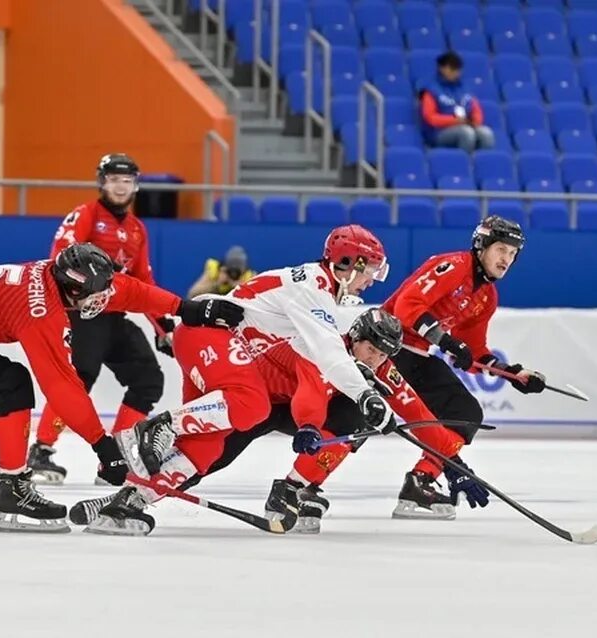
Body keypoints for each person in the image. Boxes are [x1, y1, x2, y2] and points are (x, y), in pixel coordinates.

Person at [0, 243, 243, 532]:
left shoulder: (69, 280)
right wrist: (103, 447)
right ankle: (13, 488)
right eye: (97, 294)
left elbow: (126, 290)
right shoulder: (40, 312)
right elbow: (61, 386)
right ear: (73, 291)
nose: (104, 300)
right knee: (11, 384)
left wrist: (185, 308)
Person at [83, 225, 399, 536]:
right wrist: (364, 396)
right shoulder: (314, 289)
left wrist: (340, 400)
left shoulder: (315, 292)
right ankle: (158, 427)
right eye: (370, 269)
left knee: (204, 448)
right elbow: (330, 353)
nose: (372, 280)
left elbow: (318, 360)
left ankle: (126, 504)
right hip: (209, 334)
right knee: (252, 405)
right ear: (347, 263)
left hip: (210, 343)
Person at [69, 308, 484, 534]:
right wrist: (306, 426)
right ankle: (130, 500)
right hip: (253, 399)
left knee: (358, 415)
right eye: (370, 349)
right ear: (354, 337)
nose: (374, 359)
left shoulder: (378, 366)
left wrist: (453, 464)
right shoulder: (325, 348)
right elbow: (310, 391)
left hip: (291, 407)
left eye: (383, 354)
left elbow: (419, 416)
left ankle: (293, 490)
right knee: (208, 458)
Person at [28, 153, 175, 485]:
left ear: (135, 185)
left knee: (148, 379)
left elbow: (143, 284)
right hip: (81, 315)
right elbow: (60, 260)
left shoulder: (138, 229)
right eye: (113, 180)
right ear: (101, 182)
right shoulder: (85, 215)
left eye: (126, 180)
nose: (120, 187)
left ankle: (119, 455)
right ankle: (41, 451)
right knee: (77, 382)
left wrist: (162, 325)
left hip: (116, 317)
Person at [382, 215, 546, 506]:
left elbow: (473, 351)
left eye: (512, 253)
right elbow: (408, 304)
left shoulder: (487, 296)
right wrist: (446, 341)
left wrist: (512, 373)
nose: (505, 258)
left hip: (418, 356)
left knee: (466, 414)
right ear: (481, 246)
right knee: (356, 420)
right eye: (500, 249)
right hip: (384, 349)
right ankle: (302, 485)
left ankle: (419, 482)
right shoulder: (455, 266)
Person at [419, 51, 495, 153]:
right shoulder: (431, 91)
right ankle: (463, 164)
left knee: (486, 133)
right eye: (452, 69)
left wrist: (475, 121)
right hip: (438, 132)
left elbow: (475, 108)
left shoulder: (464, 88)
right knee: (466, 133)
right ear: (442, 68)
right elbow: (430, 117)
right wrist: (454, 121)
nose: (455, 73)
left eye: (458, 69)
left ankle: (483, 166)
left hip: (465, 124)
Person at [187, 245, 255, 298]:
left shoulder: (249, 277)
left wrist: (242, 289)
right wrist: (216, 284)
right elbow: (192, 294)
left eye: (239, 265)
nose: (234, 270)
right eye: (232, 264)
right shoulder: (216, 272)